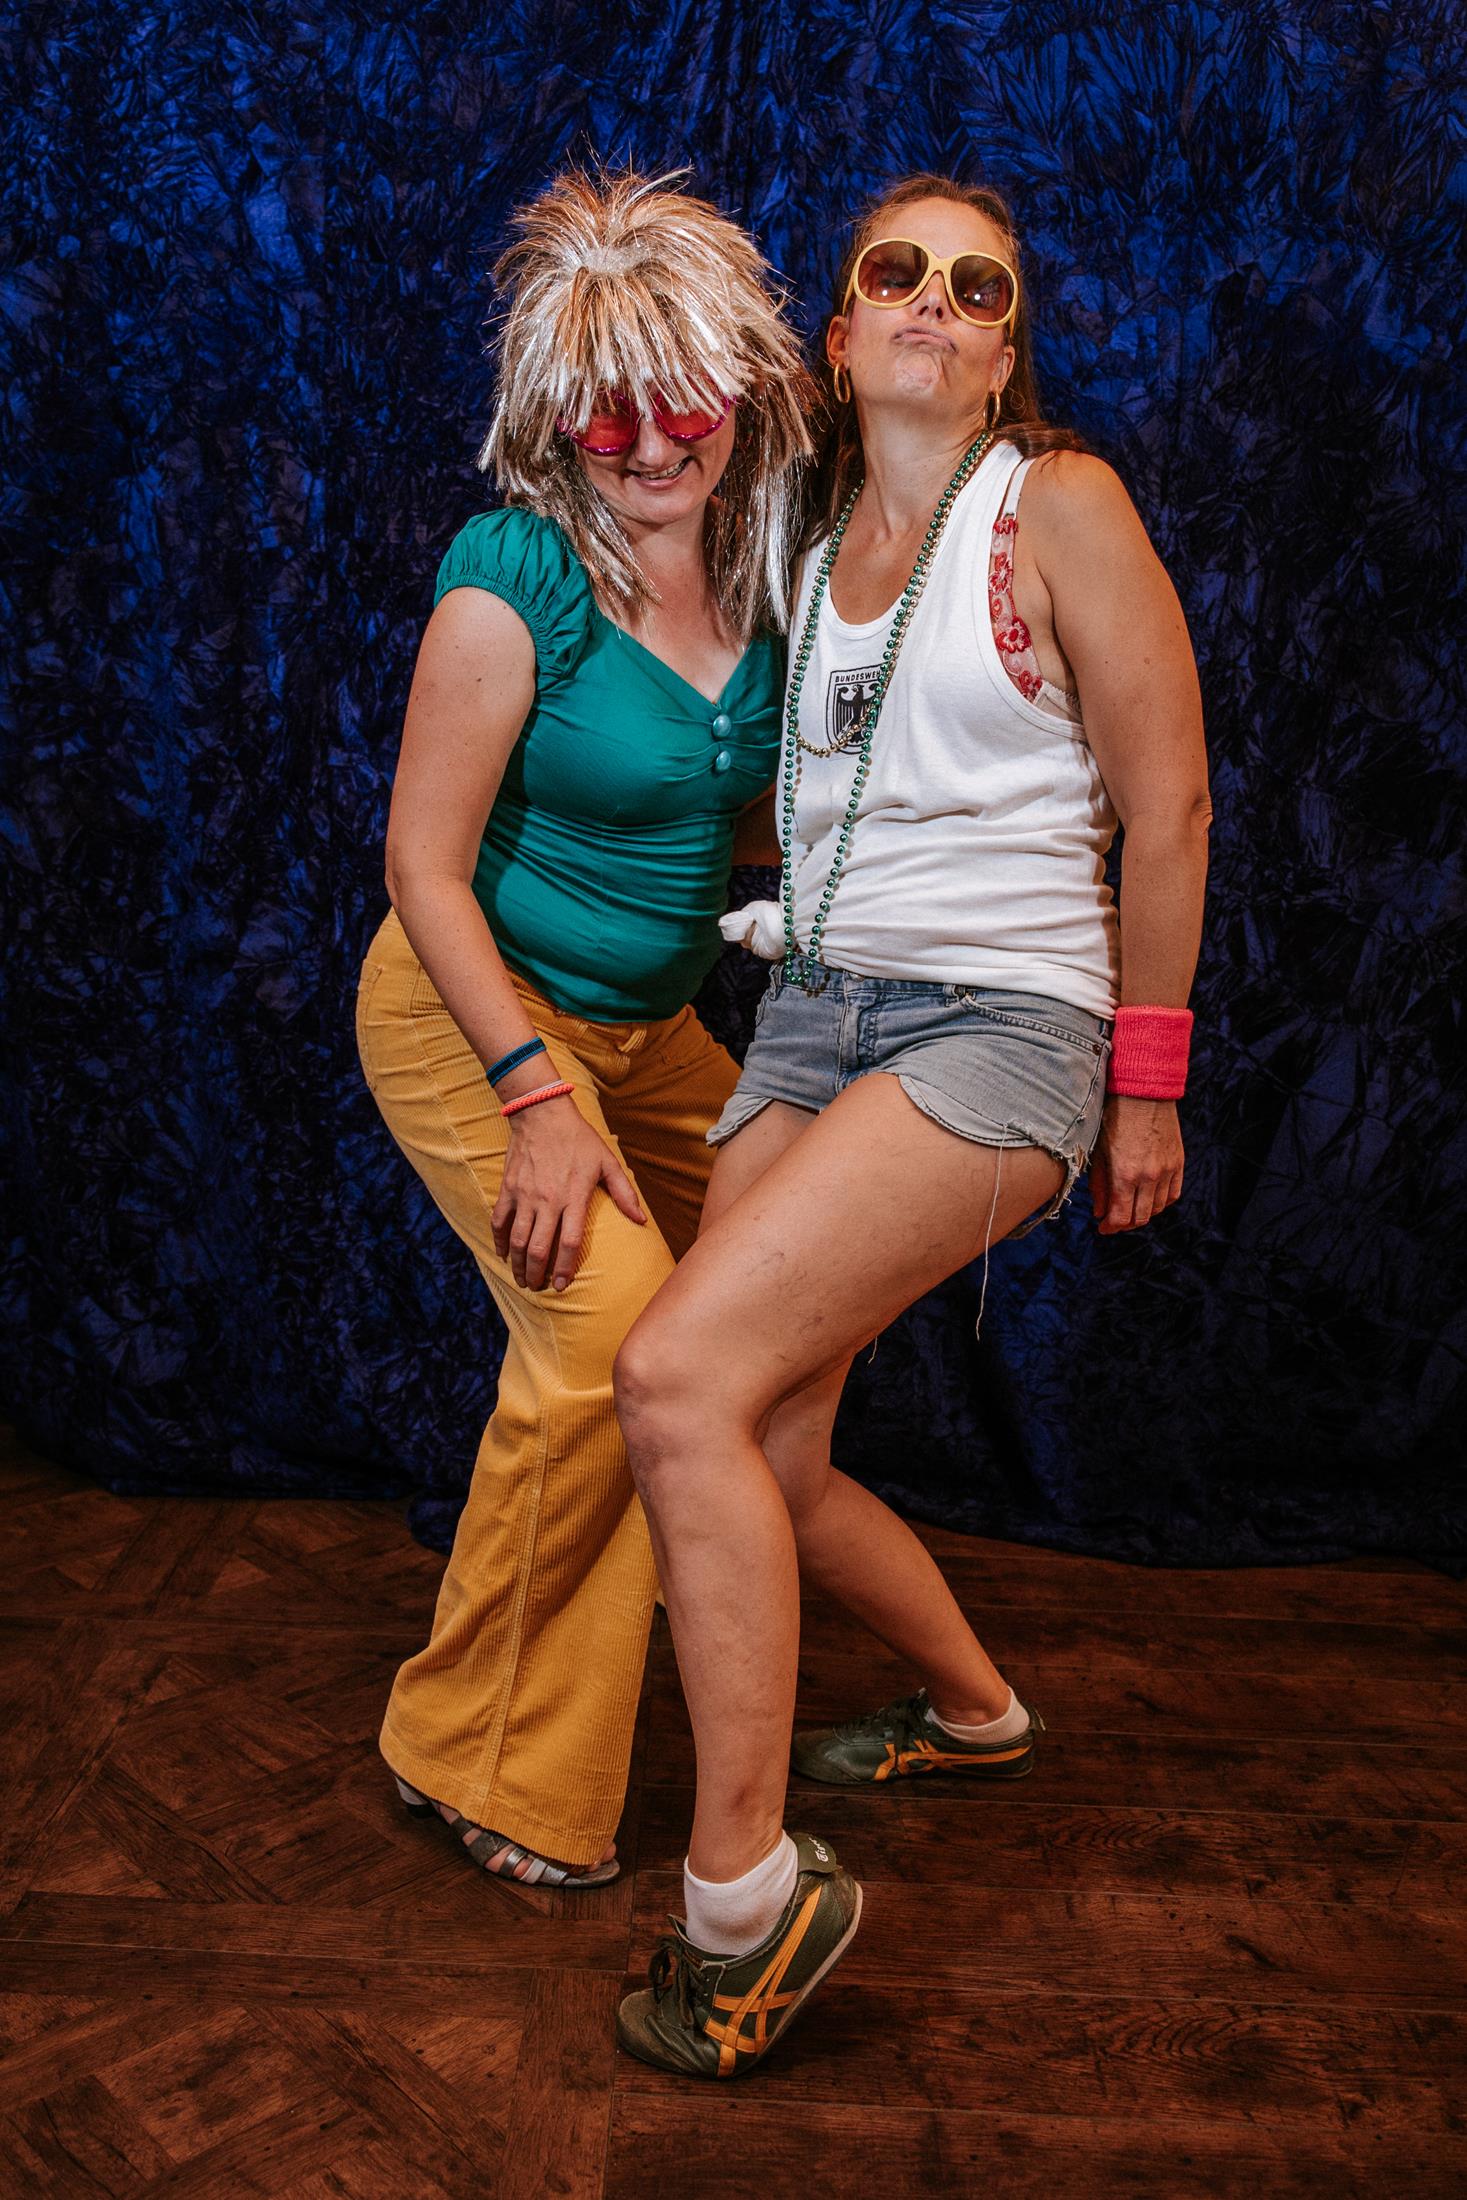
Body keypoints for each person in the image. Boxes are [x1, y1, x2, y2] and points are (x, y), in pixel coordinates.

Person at [612, 172, 1211, 2074]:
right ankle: (976, 1714)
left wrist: (1147, 1083)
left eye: (980, 286)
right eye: (900, 272)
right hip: (816, 1016)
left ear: (1005, 351)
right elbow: (816, 800)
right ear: (845, 328)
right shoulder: (811, 552)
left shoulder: (1057, 505)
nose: (937, 302)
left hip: (1005, 1023)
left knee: (675, 1384)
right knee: (768, 1456)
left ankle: (744, 1901)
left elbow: (1171, 803)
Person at [355, 167, 811, 1890]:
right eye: (608, 411)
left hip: (650, 1035)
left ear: (738, 389)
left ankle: (700, 1620)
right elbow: (422, 865)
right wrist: (537, 1098)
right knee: (614, 1337)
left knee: (777, 1291)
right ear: (559, 413)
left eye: (680, 399)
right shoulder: (517, 575)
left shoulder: (766, 567)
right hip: (476, 1015)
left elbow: (741, 822)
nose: (648, 443)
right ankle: (482, 1760)